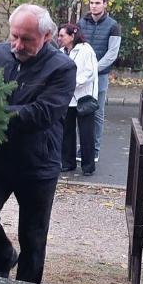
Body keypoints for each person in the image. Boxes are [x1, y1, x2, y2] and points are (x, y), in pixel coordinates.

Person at [0, 4, 76, 283]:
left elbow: (43, 113)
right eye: (14, 36)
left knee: (33, 237)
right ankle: (4, 257)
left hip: (37, 164)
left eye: (27, 39)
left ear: (48, 36)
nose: (18, 44)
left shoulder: (62, 67)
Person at [77, 0, 121, 162]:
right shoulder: (82, 23)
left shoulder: (113, 25)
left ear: (105, 4)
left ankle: (94, 149)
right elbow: (77, 46)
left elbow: (112, 53)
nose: (94, 6)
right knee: (81, 110)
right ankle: (83, 148)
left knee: (96, 113)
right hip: (82, 76)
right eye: (92, 2)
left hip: (100, 76)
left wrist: (94, 69)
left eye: (98, 3)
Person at [57, 23, 99, 175]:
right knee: (67, 132)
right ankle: (68, 162)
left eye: (62, 35)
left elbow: (90, 72)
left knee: (86, 133)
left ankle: (88, 166)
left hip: (83, 97)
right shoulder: (61, 52)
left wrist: (73, 82)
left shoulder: (85, 49)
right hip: (67, 98)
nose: (59, 38)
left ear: (72, 36)